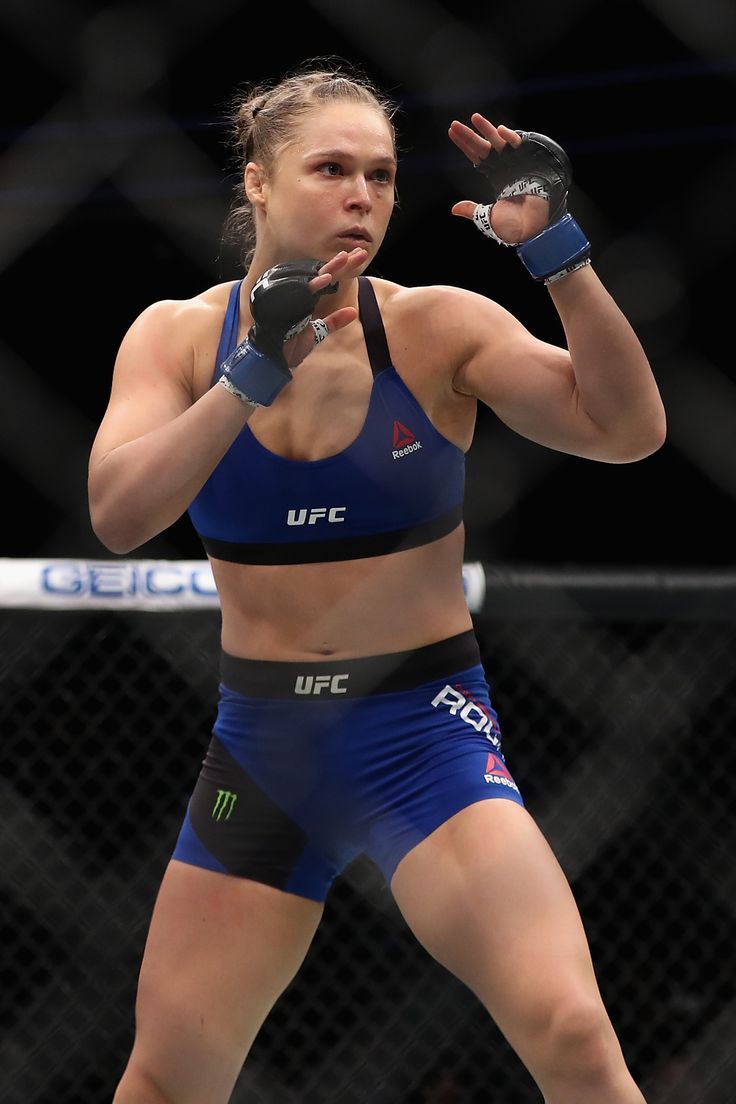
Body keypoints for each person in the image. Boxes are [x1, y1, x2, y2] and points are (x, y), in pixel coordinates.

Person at [88, 57, 665, 1104]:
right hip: (264, 753)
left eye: (382, 174)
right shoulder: (176, 339)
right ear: (257, 182)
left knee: (575, 1031)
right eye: (330, 168)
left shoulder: (434, 326)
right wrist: (246, 377)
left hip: (423, 735)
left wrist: (556, 254)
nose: (361, 195)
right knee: (166, 1082)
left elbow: (627, 431)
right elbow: (121, 515)